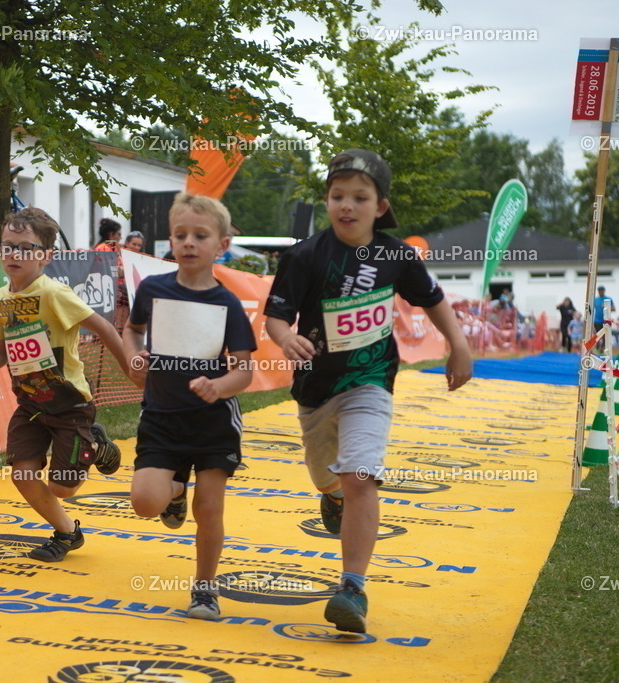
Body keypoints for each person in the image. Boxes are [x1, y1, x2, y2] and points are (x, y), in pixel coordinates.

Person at [264, 148, 472, 633]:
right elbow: (275, 315)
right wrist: (283, 336)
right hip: (315, 390)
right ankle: (331, 497)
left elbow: (435, 300)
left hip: (371, 383)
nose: (347, 206)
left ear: (380, 207)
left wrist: (458, 346)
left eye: (360, 197)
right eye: (338, 196)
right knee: (328, 477)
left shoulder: (397, 256)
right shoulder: (304, 255)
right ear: (327, 200)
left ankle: (352, 588)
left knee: (360, 475)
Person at [0, 207, 129, 563]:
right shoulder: (3, 298)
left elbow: (104, 327)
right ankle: (67, 533)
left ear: (46, 256)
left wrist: (129, 365)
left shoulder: (53, 294)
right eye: (7, 246)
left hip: (69, 405)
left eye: (25, 247)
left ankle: (95, 444)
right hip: (32, 406)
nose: (13, 254)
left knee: (62, 487)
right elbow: (0, 351)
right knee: (22, 475)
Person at [124, 193, 255, 620]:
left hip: (212, 422)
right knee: (145, 503)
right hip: (161, 416)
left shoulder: (228, 304)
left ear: (221, 245)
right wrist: (135, 356)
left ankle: (204, 589)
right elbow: (133, 330)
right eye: (180, 234)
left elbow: (244, 372)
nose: (189, 243)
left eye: (200, 235)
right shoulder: (153, 289)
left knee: (210, 508)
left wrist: (218, 386)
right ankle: (174, 490)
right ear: (171, 240)